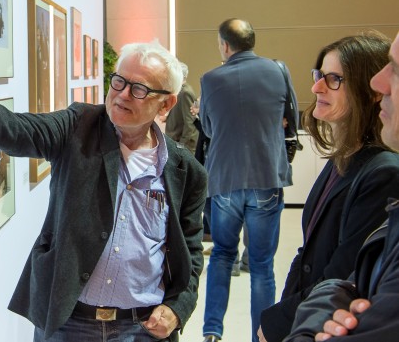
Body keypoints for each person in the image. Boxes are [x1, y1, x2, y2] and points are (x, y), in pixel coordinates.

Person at [0, 38, 207, 341]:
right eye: (118, 82)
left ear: (166, 103)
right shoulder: (79, 126)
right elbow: (16, 131)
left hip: (142, 328)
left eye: (138, 89)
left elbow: (191, 251)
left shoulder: (185, 171)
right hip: (70, 324)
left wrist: (178, 307)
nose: (122, 95)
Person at [258, 33, 399, 342]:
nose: (316, 87)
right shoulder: (342, 158)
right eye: (319, 75)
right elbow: (308, 254)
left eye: (334, 79)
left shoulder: (382, 172)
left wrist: (280, 321)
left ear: (370, 89)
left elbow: (343, 272)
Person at [200, 18, 296, 342]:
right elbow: (291, 121)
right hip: (267, 177)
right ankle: (260, 337)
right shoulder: (278, 70)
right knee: (261, 265)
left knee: (223, 255)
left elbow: (209, 131)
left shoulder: (210, 79)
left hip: (225, 180)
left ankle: (212, 330)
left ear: (225, 46)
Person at [165, 62, 198, 153]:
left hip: (181, 146)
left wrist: (181, 147)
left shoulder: (185, 93)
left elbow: (190, 123)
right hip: (176, 142)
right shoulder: (179, 91)